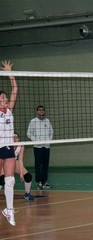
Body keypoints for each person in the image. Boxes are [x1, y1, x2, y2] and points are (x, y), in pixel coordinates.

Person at [0, 60, 18, 226]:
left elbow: (15, 89)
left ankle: (9, 210)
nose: (5, 99)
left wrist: (8, 72)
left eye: (5, 98)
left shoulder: (9, 110)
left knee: (10, 180)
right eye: (2, 98)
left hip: (8, 148)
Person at [0, 132, 35, 201]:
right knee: (1, 179)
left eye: (16, 137)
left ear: (18, 139)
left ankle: (27, 194)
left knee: (28, 176)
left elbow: (20, 160)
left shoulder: (21, 145)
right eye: (13, 137)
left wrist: (21, 173)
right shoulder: (6, 145)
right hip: (4, 160)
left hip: (14, 161)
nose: (14, 139)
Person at [27, 105, 53, 190]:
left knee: (45, 164)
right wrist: (36, 140)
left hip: (46, 146)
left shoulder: (47, 121)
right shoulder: (33, 121)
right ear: (37, 111)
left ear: (44, 111)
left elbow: (51, 132)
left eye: (42, 110)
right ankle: (39, 182)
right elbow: (29, 133)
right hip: (37, 147)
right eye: (39, 110)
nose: (41, 111)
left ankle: (45, 181)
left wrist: (48, 141)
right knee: (38, 164)